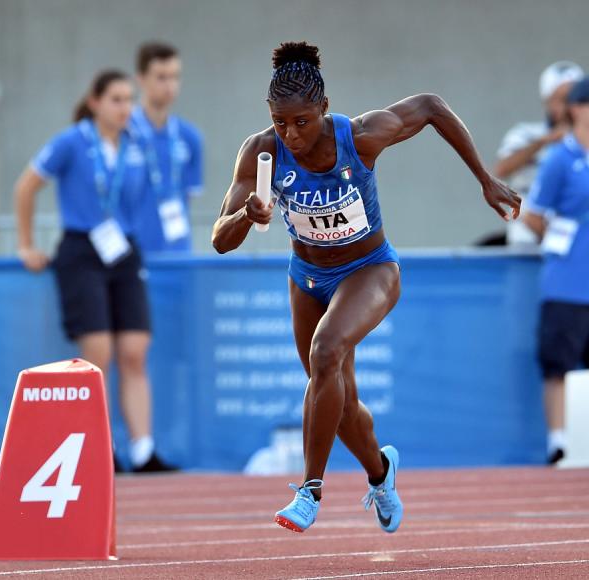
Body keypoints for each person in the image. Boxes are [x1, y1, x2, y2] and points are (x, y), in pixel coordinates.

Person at [211, 42, 520, 534]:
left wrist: (485, 179)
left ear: (324, 110)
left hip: (370, 270)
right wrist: (249, 215)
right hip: (307, 280)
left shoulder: (361, 136)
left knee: (325, 352)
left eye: (302, 122)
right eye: (280, 121)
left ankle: (310, 491)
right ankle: (380, 472)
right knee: (339, 401)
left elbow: (432, 107)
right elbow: (219, 240)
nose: (291, 134)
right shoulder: (261, 152)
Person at [14, 69, 175, 473]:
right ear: (95, 102)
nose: (125, 108)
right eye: (116, 99)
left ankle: (143, 449)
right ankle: (100, 450)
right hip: (82, 250)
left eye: (128, 100)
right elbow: (26, 186)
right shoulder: (72, 141)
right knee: (97, 354)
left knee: (135, 350)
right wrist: (26, 245)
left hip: (124, 251)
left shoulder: (136, 146)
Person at [523, 76, 589, 465]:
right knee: (558, 364)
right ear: (577, 109)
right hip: (566, 281)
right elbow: (532, 213)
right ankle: (559, 442)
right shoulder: (561, 159)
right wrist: (558, 236)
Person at [495, 61, 584, 247]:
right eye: (560, 99)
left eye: (574, 98)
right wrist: (546, 141)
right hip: (526, 240)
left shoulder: (584, 143)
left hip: (574, 244)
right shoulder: (526, 134)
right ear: (547, 101)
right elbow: (502, 169)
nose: (568, 106)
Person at [132, 42, 204, 253]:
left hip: (178, 253)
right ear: (141, 79)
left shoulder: (190, 137)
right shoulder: (123, 133)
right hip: (131, 256)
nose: (169, 85)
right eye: (161, 77)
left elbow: (187, 197)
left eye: (175, 76)